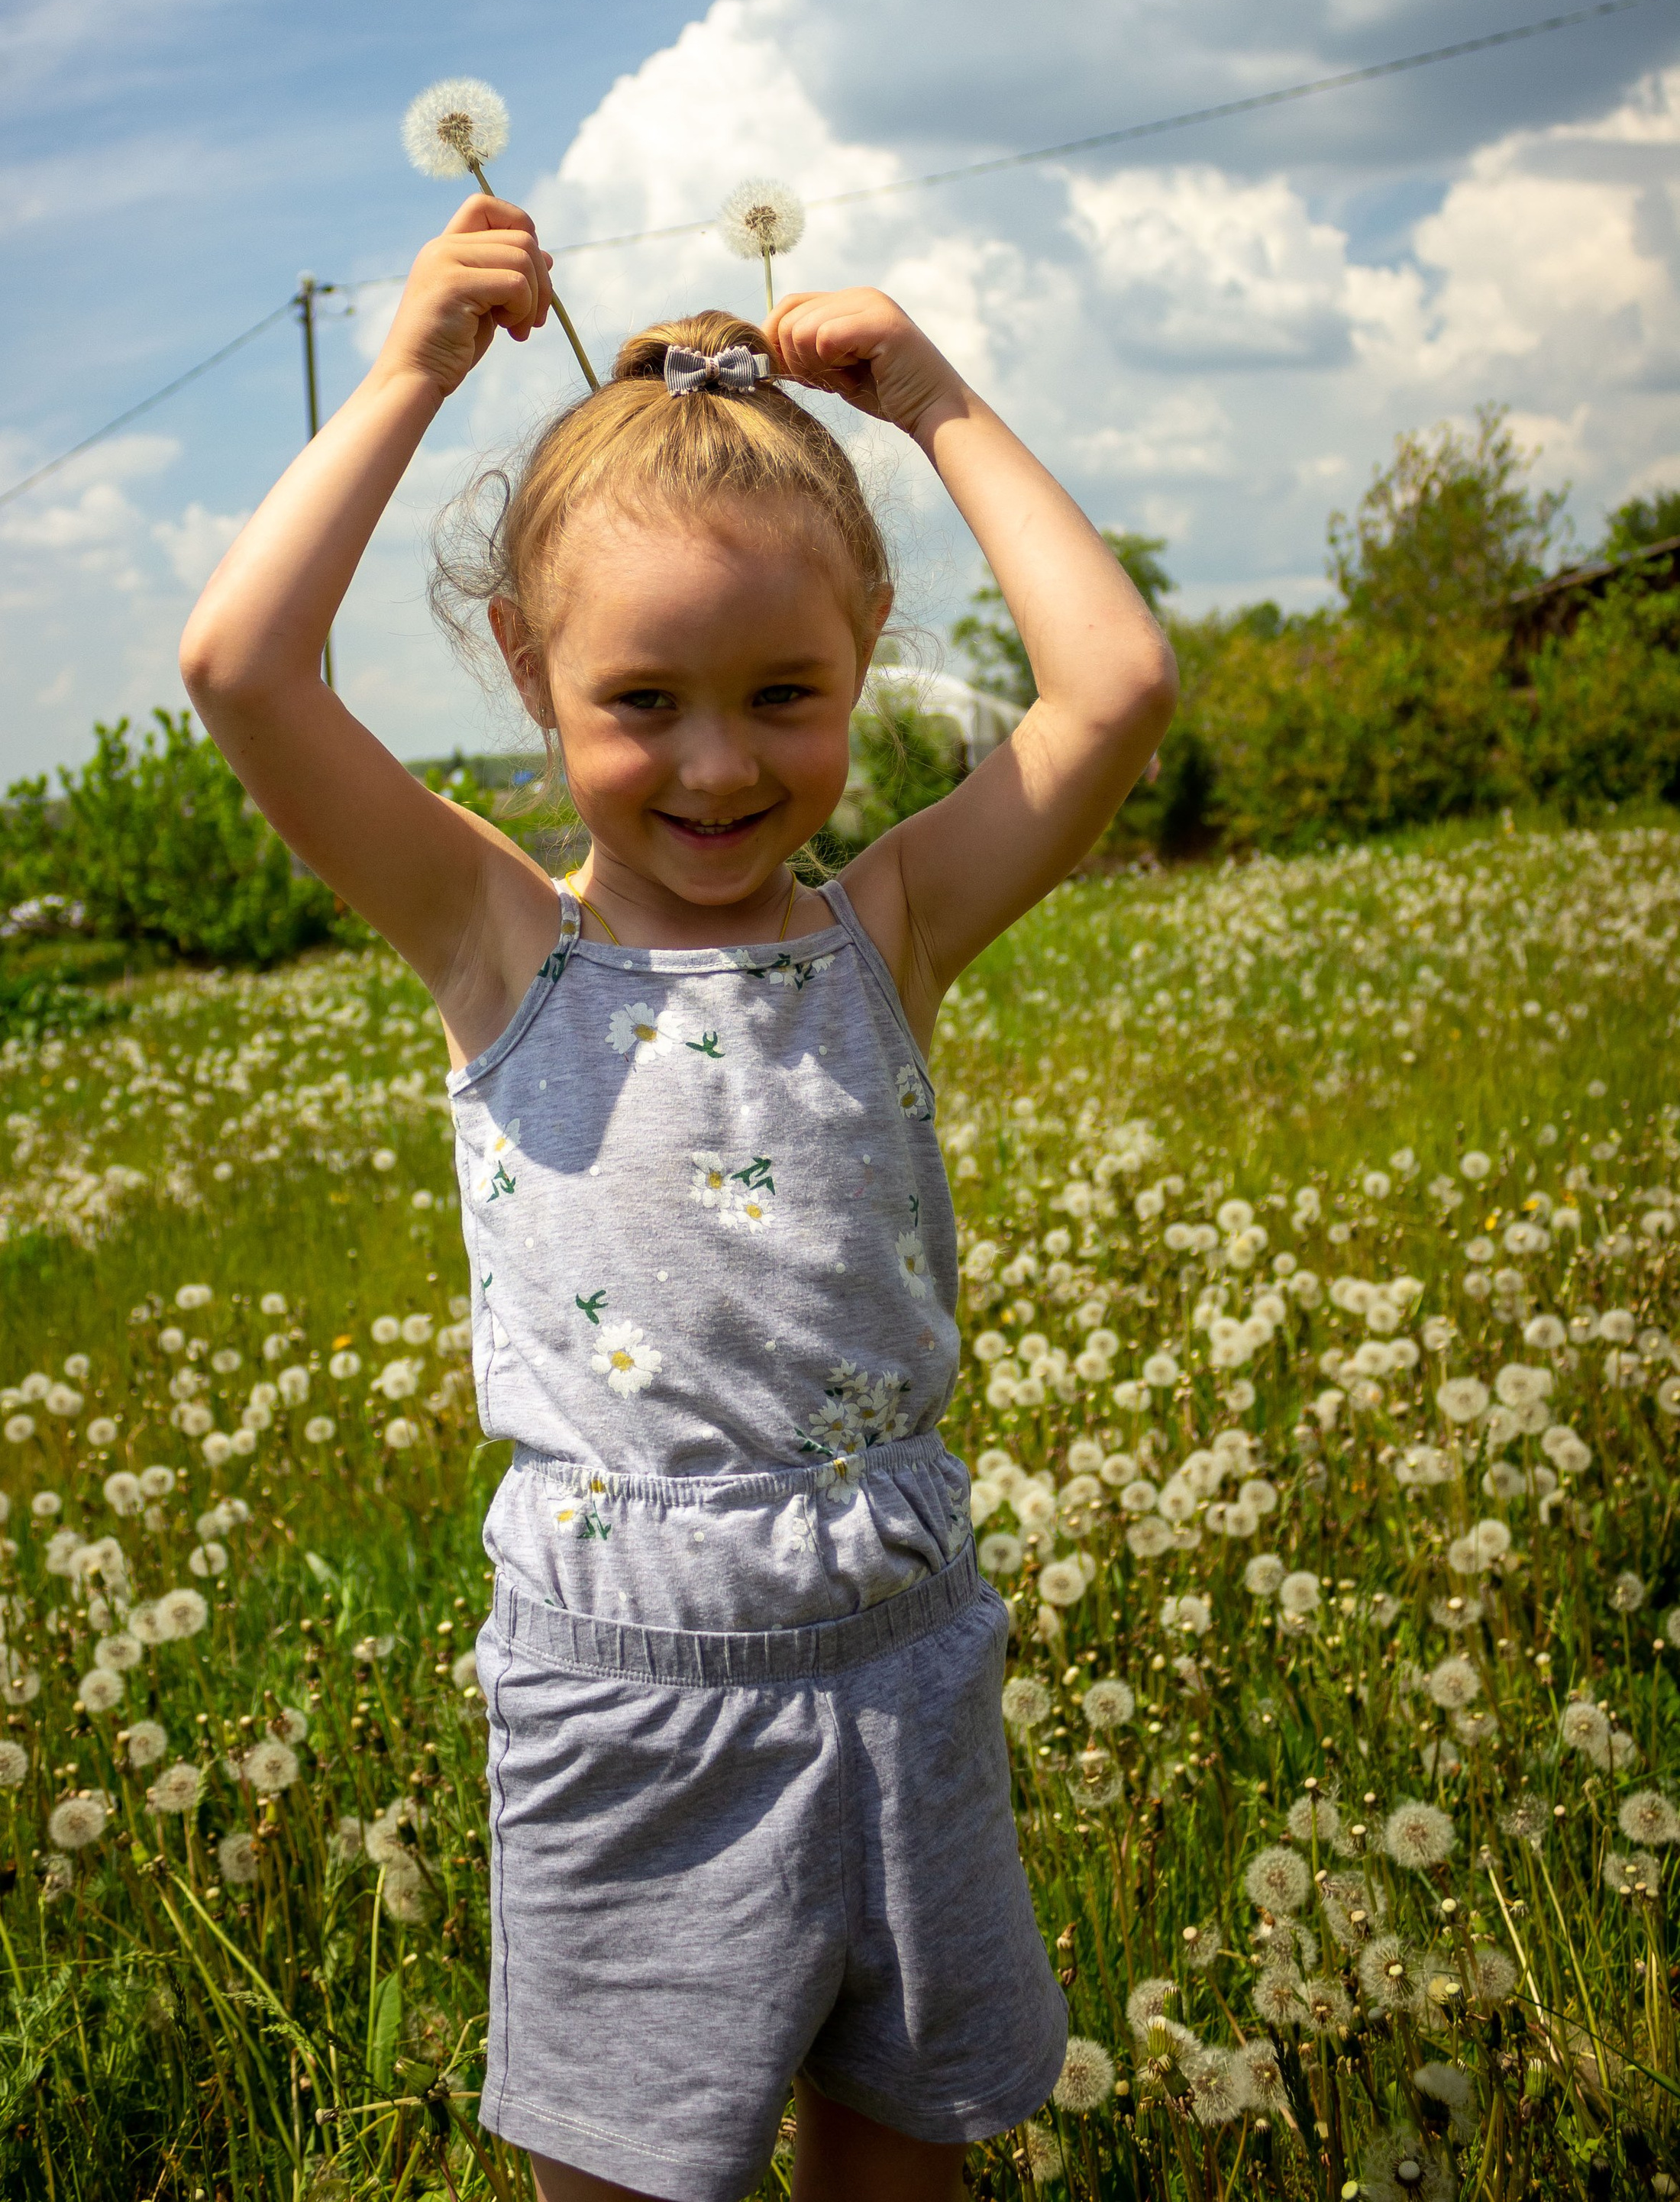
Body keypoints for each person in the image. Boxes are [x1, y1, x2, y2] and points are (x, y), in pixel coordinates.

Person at [180, 189, 1176, 2202]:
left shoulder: (889, 924)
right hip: (630, 1696)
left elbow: (1116, 689)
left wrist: (939, 400)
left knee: (908, 2165)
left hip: (905, 1658)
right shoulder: (495, 939)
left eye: (782, 695)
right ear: (529, 667)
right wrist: (406, 376)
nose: (716, 766)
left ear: (863, 652)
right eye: (640, 701)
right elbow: (243, 669)